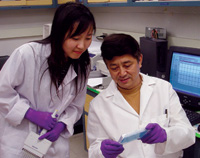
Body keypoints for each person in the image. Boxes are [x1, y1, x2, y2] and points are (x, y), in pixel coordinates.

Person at [0, 2, 96, 158]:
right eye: (75, 37)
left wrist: (62, 125)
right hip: (18, 140)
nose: (82, 45)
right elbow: (2, 92)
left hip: (54, 146)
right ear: (59, 33)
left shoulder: (82, 65)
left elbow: (76, 106)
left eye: (88, 38)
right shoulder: (28, 54)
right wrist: (30, 113)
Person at [87, 33, 195, 158]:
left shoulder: (164, 88)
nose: (122, 73)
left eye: (127, 65)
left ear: (140, 60)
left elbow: (188, 134)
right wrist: (102, 152)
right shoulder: (98, 105)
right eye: (114, 67)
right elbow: (94, 150)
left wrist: (166, 135)